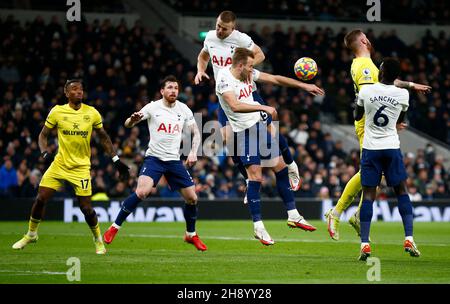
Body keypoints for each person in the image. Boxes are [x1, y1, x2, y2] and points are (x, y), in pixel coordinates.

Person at [195, 11, 323, 196]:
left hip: (248, 94)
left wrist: (243, 69)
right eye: (218, 26)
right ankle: (249, 180)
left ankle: (291, 164)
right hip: (227, 97)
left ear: (233, 28)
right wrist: (200, 70)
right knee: (230, 142)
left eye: (224, 28)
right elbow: (203, 57)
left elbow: (260, 55)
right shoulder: (210, 37)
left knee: (272, 131)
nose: (220, 30)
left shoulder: (241, 39)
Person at [325, 29, 431, 240]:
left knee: (378, 173)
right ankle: (335, 212)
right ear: (364, 41)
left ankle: (356, 216)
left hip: (375, 124)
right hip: (368, 124)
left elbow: (384, 85)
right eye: (368, 37)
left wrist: (409, 86)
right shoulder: (364, 66)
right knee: (369, 171)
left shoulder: (367, 64)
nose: (370, 39)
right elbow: (370, 96)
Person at [216, 47, 324, 245]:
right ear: (240, 65)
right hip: (242, 133)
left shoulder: (246, 73)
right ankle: (258, 227)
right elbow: (234, 106)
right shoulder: (224, 79)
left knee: (280, 168)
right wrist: (263, 107)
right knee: (256, 176)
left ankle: (293, 214)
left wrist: (303, 86)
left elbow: (275, 79)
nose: (252, 70)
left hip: (257, 126)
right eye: (250, 66)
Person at [12, 79, 130, 254]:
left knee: (86, 208)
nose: (79, 92)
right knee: (40, 198)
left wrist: (116, 161)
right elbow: (43, 135)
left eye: (81, 89)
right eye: (74, 89)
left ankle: (98, 240)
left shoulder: (92, 113)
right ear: (66, 93)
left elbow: (104, 138)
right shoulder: (57, 112)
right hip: (59, 164)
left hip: (81, 167)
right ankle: (31, 234)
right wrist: (44, 151)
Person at [103, 76, 207, 251]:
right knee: (142, 192)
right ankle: (114, 227)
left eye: (176, 88)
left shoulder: (184, 109)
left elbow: (196, 133)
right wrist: (133, 119)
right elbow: (127, 124)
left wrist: (193, 151)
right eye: (170, 88)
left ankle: (191, 235)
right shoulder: (153, 107)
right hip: (155, 159)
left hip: (174, 160)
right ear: (162, 91)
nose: (173, 90)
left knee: (192, 198)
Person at [354, 58, 420, 260]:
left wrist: (359, 102)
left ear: (380, 72)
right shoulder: (403, 94)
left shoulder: (366, 91)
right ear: (396, 76)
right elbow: (400, 120)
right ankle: (408, 237)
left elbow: (358, 116)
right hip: (391, 147)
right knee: (401, 190)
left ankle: (365, 243)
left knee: (369, 195)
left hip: (371, 148)